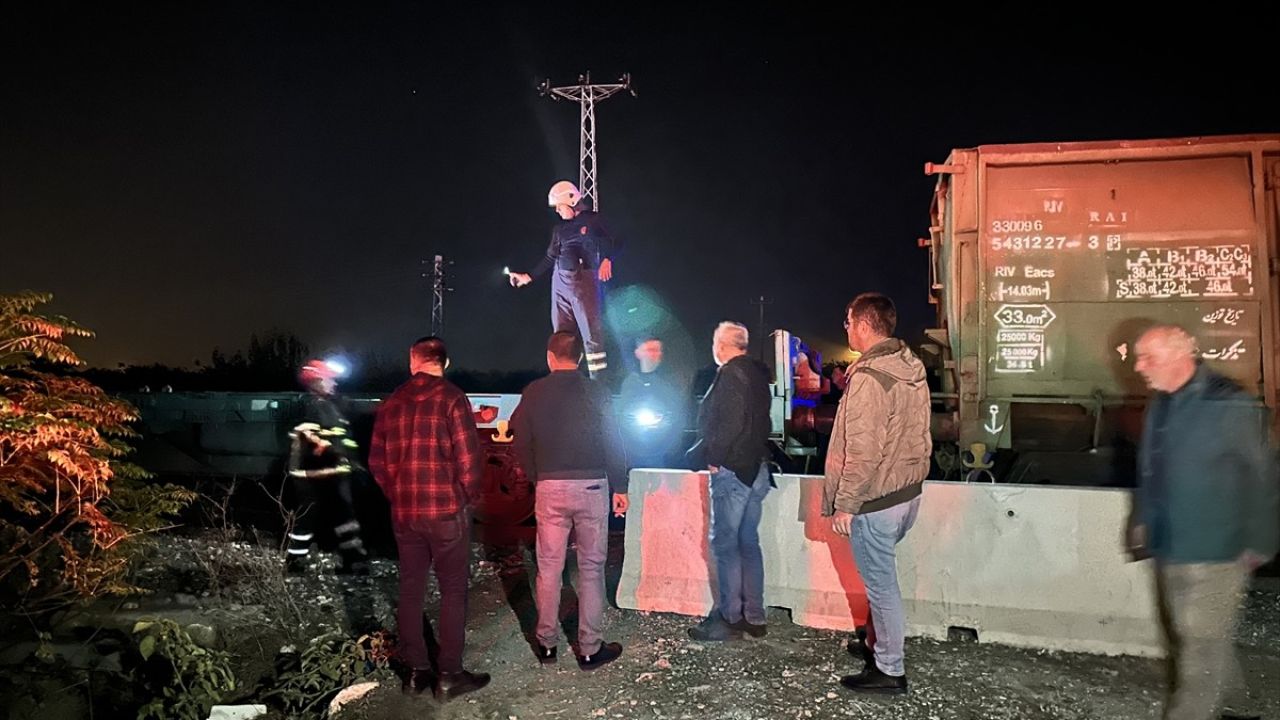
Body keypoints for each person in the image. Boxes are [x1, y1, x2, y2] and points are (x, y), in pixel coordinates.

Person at [1129, 324, 1278, 720]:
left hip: (1218, 546)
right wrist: (1143, 520)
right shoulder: (1159, 403)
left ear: (1181, 356)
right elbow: (1150, 470)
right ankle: (1240, 704)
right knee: (1189, 634)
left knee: (1200, 646)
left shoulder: (1230, 403)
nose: (1139, 366)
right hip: (1170, 542)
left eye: (1149, 357)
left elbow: (1263, 475)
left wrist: (1262, 540)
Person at [368, 336, 490, 701]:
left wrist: (398, 493)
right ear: (444, 363)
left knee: (410, 589)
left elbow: (376, 461)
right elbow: (470, 462)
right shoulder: (453, 398)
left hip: (405, 513)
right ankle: (449, 675)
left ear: (414, 361)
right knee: (453, 591)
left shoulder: (391, 403)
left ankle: (416, 672)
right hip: (445, 513)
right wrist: (462, 499)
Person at [823, 293, 931, 695]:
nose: (846, 327)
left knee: (881, 586)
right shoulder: (909, 367)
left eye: (849, 321)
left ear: (865, 325)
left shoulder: (869, 378)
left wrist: (846, 505)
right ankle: (876, 643)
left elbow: (863, 451)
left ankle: (889, 669)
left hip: (876, 500)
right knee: (881, 580)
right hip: (905, 493)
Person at [510, 331, 630, 670]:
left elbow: (520, 441)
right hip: (592, 487)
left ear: (550, 357)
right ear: (579, 358)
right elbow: (614, 440)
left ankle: (546, 645)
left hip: (550, 488)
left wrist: (538, 477)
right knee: (591, 569)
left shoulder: (533, 393)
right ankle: (590, 649)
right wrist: (620, 486)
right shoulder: (597, 392)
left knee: (548, 568)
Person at [685, 321, 774, 642]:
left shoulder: (731, 374)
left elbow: (729, 423)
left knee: (725, 547)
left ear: (722, 345)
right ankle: (755, 616)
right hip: (757, 470)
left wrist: (713, 458)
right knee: (749, 544)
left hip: (733, 472)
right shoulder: (758, 375)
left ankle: (728, 618)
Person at [508, 180, 619, 379]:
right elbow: (550, 257)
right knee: (562, 336)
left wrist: (607, 260)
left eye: (559, 207)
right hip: (559, 283)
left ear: (571, 200)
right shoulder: (559, 230)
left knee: (591, 333)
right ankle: (562, 377)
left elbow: (617, 239)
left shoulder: (593, 220)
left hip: (583, 280)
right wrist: (529, 277)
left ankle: (598, 383)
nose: (558, 211)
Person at [284, 359, 370, 575]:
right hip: (311, 474)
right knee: (308, 519)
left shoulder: (332, 406)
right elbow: (311, 436)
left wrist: (353, 460)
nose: (334, 384)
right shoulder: (309, 406)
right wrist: (334, 450)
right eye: (329, 379)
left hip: (333, 472)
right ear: (317, 381)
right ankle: (295, 562)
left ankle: (352, 561)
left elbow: (344, 439)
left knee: (344, 517)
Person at [618, 337, 687, 469]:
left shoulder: (670, 382)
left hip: (663, 453)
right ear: (638, 352)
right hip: (634, 453)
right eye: (650, 350)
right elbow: (623, 414)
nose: (655, 355)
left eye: (657, 350)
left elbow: (678, 415)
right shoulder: (630, 382)